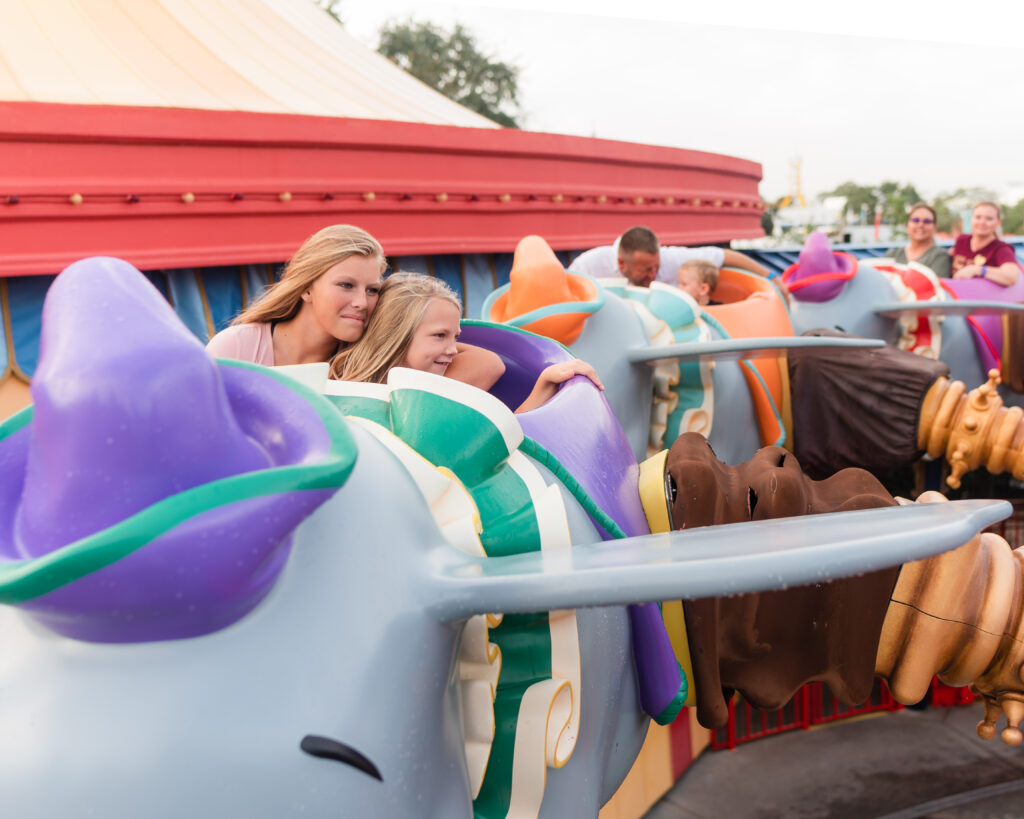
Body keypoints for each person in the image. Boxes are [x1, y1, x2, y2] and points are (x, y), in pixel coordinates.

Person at [207, 225, 504, 386]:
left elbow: (488, 364)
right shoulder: (237, 349)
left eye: (373, 289)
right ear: (307, 288)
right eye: (346, 285)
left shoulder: (366, 356)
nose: (362, 302)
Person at [332, 273, 601, 412]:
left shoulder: (442, 389)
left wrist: (545, 383)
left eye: (456, 338)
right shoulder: (347, 389)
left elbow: (504, 443)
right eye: (440, 335)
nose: (453, 350)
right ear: (395, 335)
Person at [568, 225, 773, 288]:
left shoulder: (670, 258)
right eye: (646, 270)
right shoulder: (587, 265)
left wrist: (772, 277)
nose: (654, 273)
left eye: (656, 266)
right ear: (622, 264)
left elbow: (724, 255)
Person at [950, 202, 1020, 286]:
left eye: (989, 219)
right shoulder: (962, 240)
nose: (982, 222)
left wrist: (978, 270)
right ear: (971, 219)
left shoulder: (1001, 249)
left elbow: (1012, 277)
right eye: (978, 217)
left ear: (998, 222)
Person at [889, 203, 951, 278]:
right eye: (916, 220)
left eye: (927, 221)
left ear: (935, 228)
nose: (921, 225)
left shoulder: (940, 256)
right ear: (907, 226)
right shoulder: (893, 254)